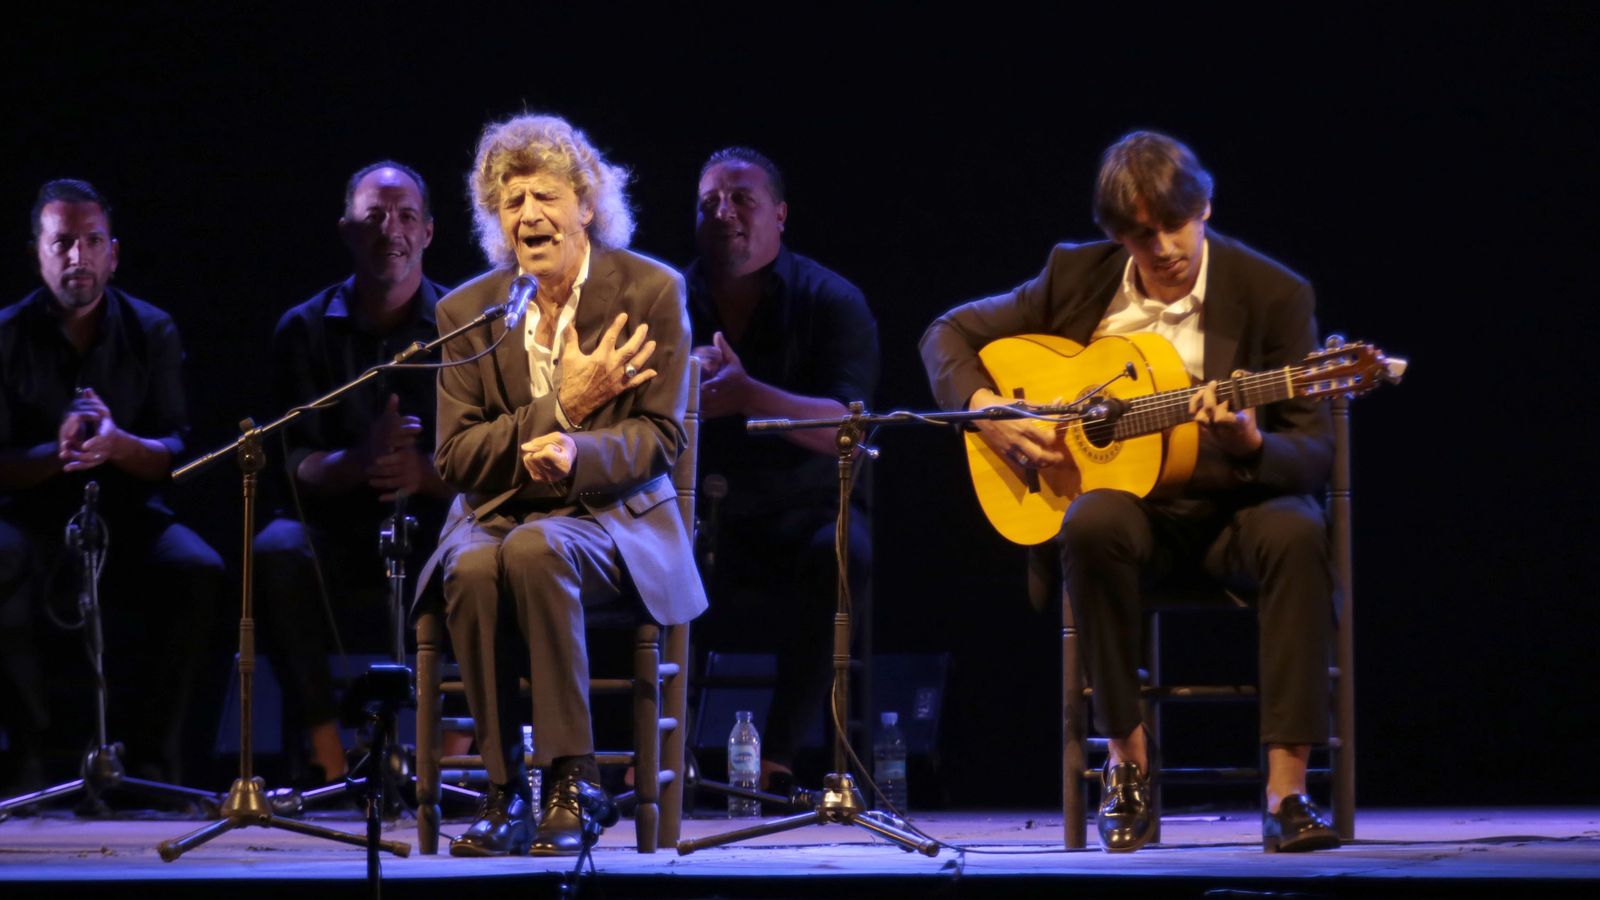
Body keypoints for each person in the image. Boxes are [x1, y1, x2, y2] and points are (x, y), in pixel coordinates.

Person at [919, 131, 1341, 853]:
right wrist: (989, 415)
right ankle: (1127, 764)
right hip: (1132, 520)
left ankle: (1287, 791)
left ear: (1204, 205)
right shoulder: (1077, 275)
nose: (1164, 247)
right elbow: (945, 334)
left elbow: (1314, 453)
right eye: (1141, 236)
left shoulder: (1274, 293)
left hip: (1236, 514)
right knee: (1089, 522)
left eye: (1174, 224)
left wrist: (1252, 444)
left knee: (1299, 531)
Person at [425, 113, 705, 856]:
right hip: (496, 514)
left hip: (616, 517)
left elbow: (659, 437)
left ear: (586, 202)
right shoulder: (467, 312)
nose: (528, 216)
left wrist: (578, 452)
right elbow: (454, 456)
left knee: (536, 549)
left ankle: (573, 780)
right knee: (477, 562)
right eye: (510, 203)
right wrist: (559, 411)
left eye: (544, 196)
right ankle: (502, 788)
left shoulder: (651, 291)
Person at [0, 179, 224, 790]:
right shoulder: (7, 334)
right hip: (31, 515)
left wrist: (118, 443)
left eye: (92, 242)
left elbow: (176, 452)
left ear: (113, 254)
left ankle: (159, 760)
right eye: (63, 242)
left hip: (128, 512)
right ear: (36, 254)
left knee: (197, 569)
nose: (79, 257)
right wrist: (59, 451)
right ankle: (28, 755)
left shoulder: (152, 330)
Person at [256, 161, 455, 786]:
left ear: (428, 231)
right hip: (335, 529)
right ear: (347, 230)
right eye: (373, 217)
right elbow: (290, 466)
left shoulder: (467, 326)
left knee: (498, 550)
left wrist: (424, 474)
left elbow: (495, 458)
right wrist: (360, 463)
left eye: (403, 217)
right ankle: (327, 755)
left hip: (435, 525)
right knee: (276, 549)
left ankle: (455, 753)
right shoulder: (304, 328)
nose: (388, 230)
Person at [685, 147, 878, 792]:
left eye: (742, 198)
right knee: (638, 547)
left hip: (804, 515)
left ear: (780, 214)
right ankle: (658, 751)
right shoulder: (667, 301)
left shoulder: (831, 299)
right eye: (711, 200)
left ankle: (779, 756)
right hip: (702, 519)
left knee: (843, 551)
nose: (725, 213)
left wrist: (748, 395)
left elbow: (849, 430)